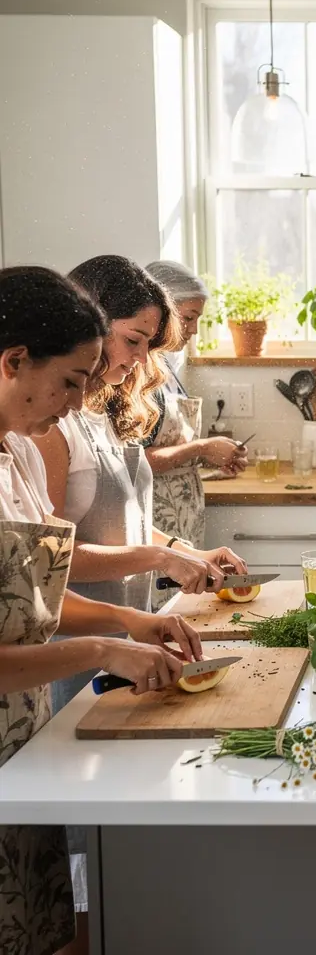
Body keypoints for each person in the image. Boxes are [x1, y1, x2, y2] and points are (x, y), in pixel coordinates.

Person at [0, 266, 203, 955]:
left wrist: (128, 622)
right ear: (13, 361)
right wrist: (102, 649)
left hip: (24, 738)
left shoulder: (19, 456)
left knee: (48, 929)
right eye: (69, 381)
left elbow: (37, 595)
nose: (79, 400)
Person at [34, 255, 245, 712]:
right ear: (90, 324)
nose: (139, 360)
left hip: (129, 637)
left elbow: (119, 525)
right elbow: (49, 561)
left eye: (147, 346)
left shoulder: (102, 413)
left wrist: (186, 553)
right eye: (134, 340)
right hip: (73, 651)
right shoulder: (50, 427)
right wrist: (160, 557)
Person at [143, 260, 248, 609]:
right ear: (160, 310)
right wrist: (202, 447)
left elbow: (170, 448)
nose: (194, 329)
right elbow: (138, 463)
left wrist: (210, 459)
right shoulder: (136, 374)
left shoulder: (166, 369)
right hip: (153, 527)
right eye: (188, 318)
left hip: (181, 530)